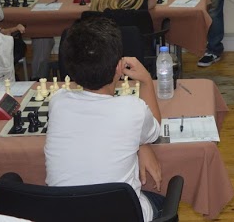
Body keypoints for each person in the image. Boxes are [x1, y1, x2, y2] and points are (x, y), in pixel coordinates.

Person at [44, 16, 164, 222]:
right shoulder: (133, 109)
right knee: (161, 200)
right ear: (119, 67)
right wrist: (146, 80)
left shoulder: (57, 102)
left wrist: (140, 144)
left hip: (65, 215)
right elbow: (154, 130)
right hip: (125, 216)